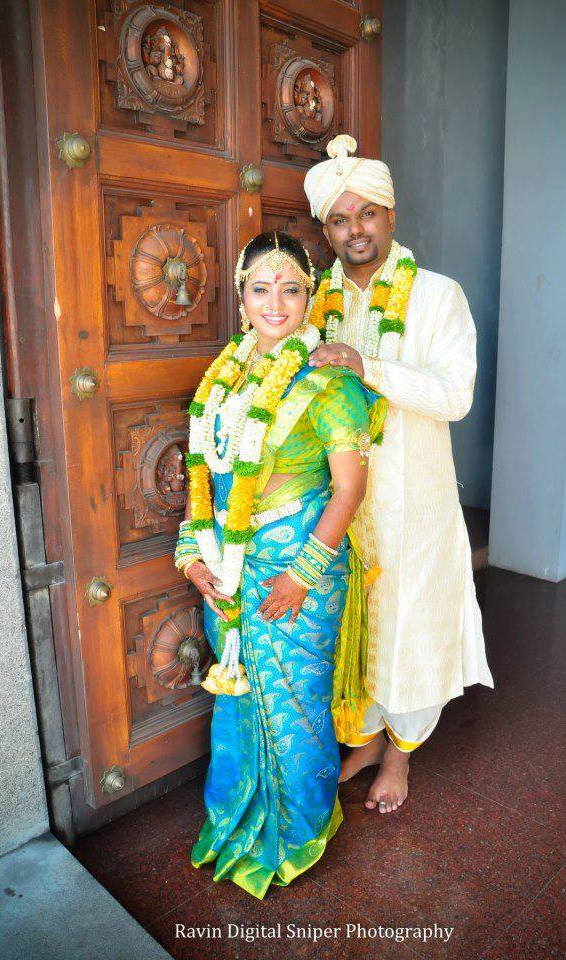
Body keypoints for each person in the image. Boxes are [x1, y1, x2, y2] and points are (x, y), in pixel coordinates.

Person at [174, 231, 386, 899]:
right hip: (229, 569)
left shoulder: (327, 383)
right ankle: (238, 823)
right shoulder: (223, 381)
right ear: (241, 298)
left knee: (295, 707)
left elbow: (349, 489)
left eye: (290, 288)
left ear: (309, 297)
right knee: (237, 703)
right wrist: (190, 556)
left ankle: (297, 834)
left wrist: (304, 572)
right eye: (260, 288)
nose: (275, 302)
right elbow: (202, 477)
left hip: (302, 569)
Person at [303, 135, 494, 815]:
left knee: (409, 623)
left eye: (366, 214)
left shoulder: (437, 296)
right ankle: (363, 734)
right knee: (353, 622)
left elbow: (454, 397)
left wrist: (367, 367)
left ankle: (399, 754)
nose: (354, 230)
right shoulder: (311, 298)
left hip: (412, 498)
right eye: (338, 219)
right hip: (335, 500)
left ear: (390, 214)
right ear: (325, 229)